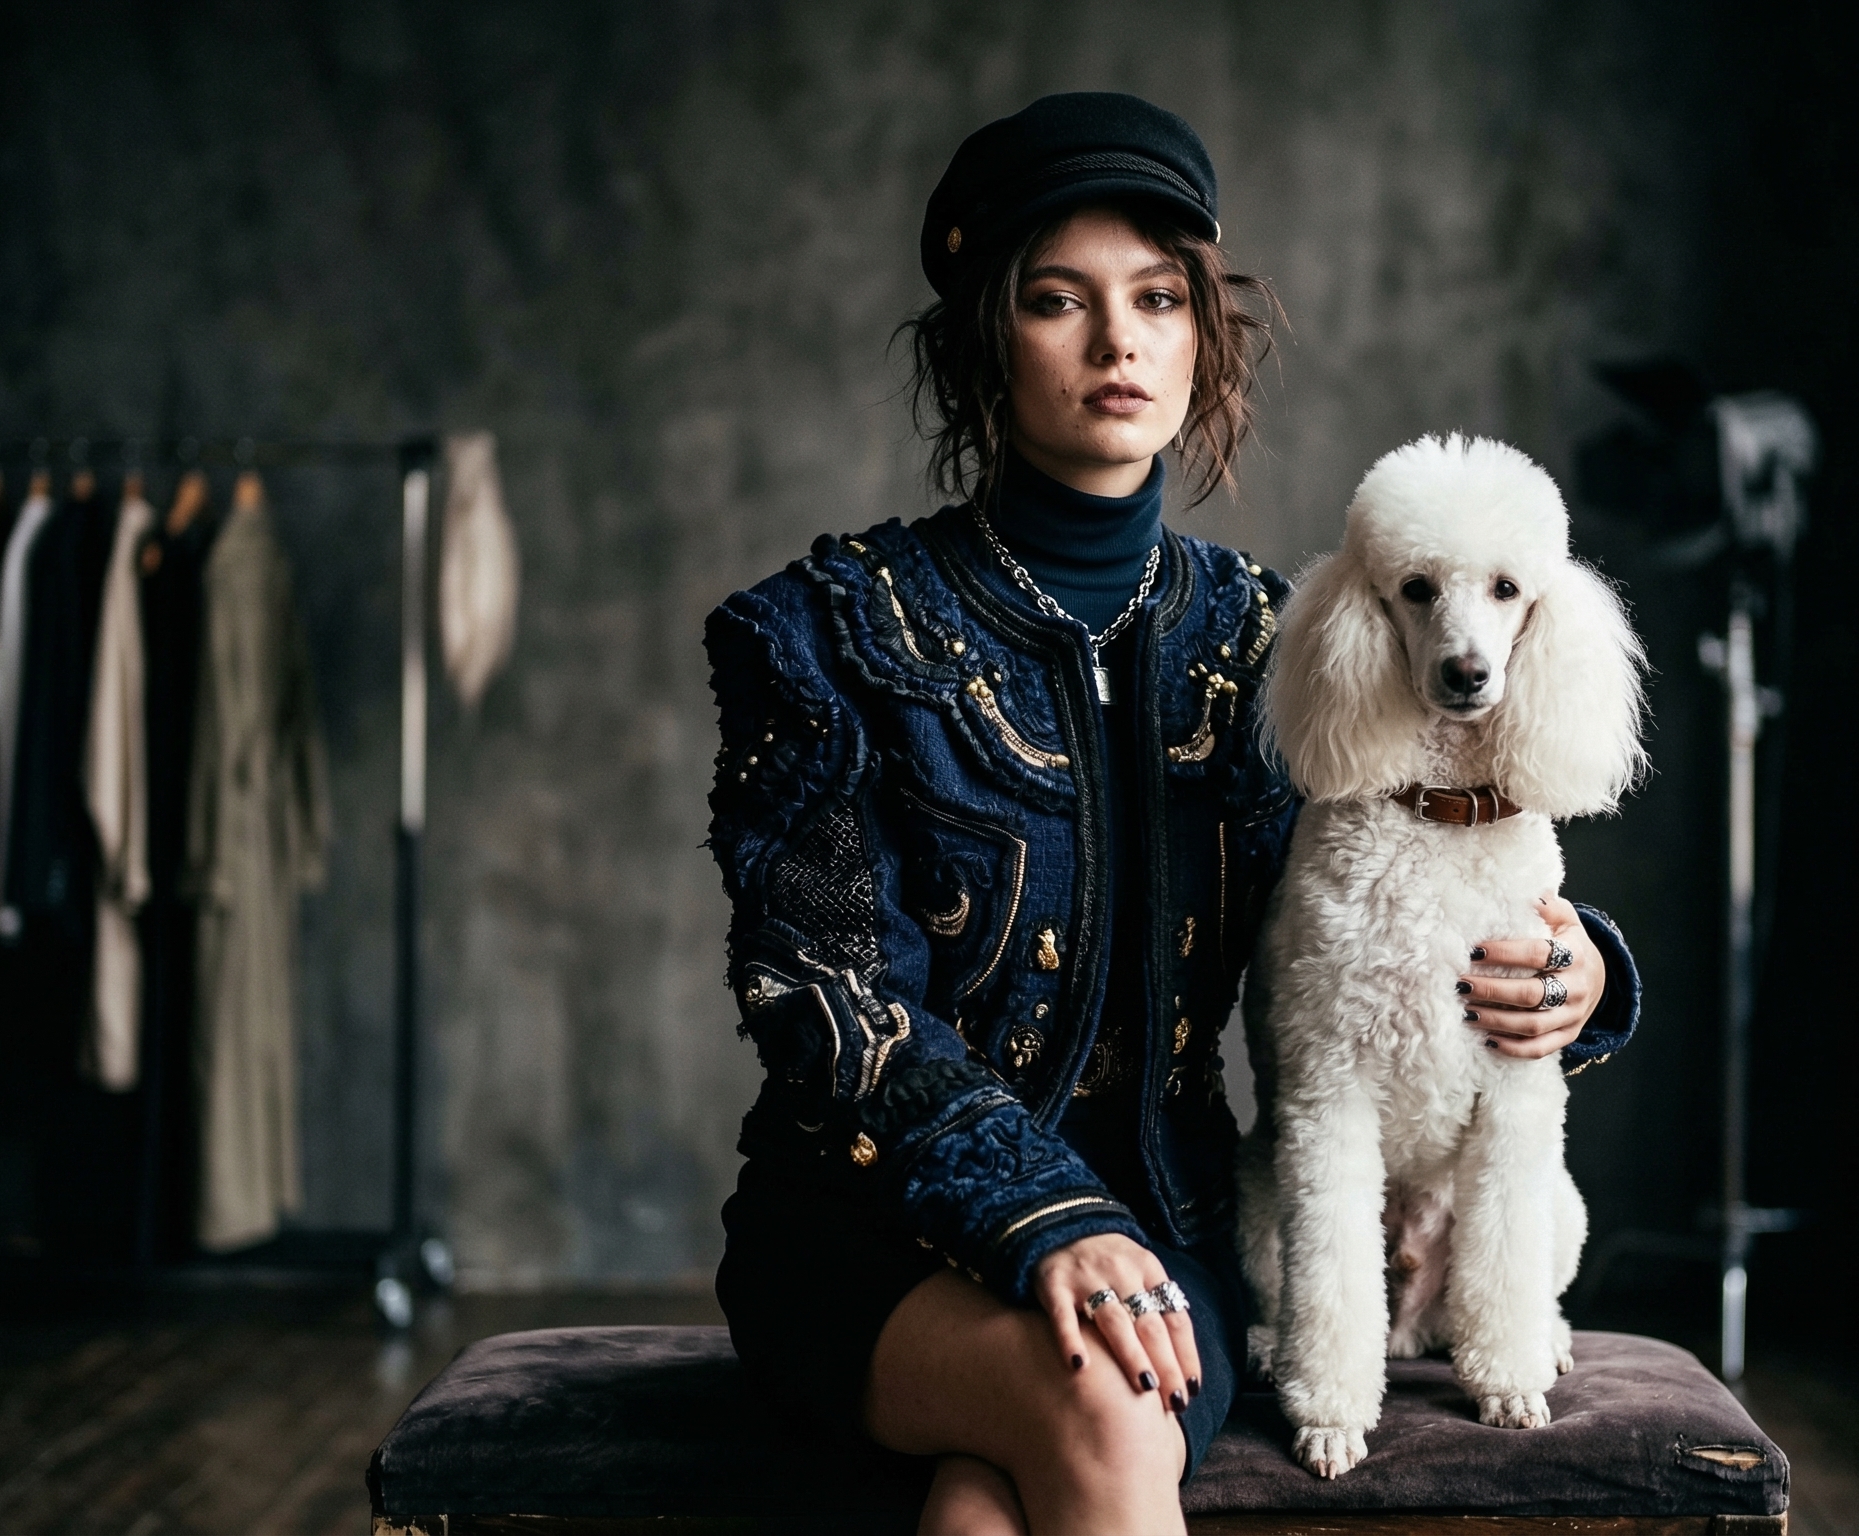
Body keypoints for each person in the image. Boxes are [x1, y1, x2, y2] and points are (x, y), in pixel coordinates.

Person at [703, 92, 1643, 1536]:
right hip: (869, 1229)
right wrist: (1046, 1221)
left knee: (990, 1492)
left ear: (1204, 333)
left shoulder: (1275, 639)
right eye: (1057, 301)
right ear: (982, 339)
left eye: (1155, 300)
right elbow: (827, 998)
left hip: (1169, 1222)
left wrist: (1581, 969)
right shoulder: (828, 634)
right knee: (1088, 1397)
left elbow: (1416, 872)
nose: (1117, 342)